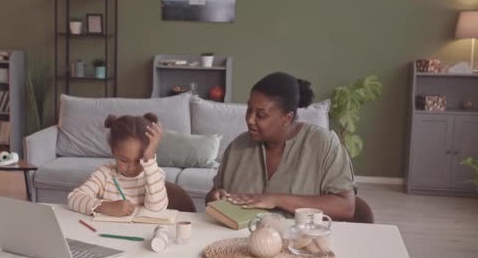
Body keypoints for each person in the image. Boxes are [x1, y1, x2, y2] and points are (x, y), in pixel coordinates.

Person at [205, 72, 356, 220]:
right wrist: (215, 197)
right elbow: (212, 197)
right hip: (240, 241)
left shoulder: (324, 144)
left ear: (286, 118)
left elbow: (346, 206)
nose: (250, 120)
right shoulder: (237, 147)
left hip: (299, 240)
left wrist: (275, 199)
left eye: (261, 115)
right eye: (249, 110)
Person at [68, 113, 168, 217]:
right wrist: (107, 207)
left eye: (139, 160)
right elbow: (73, 198)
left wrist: (149, 160)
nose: (131, 168)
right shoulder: (105, 174)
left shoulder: (155, 174)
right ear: (113, 151)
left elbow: (158, 208)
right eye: (124, 160)